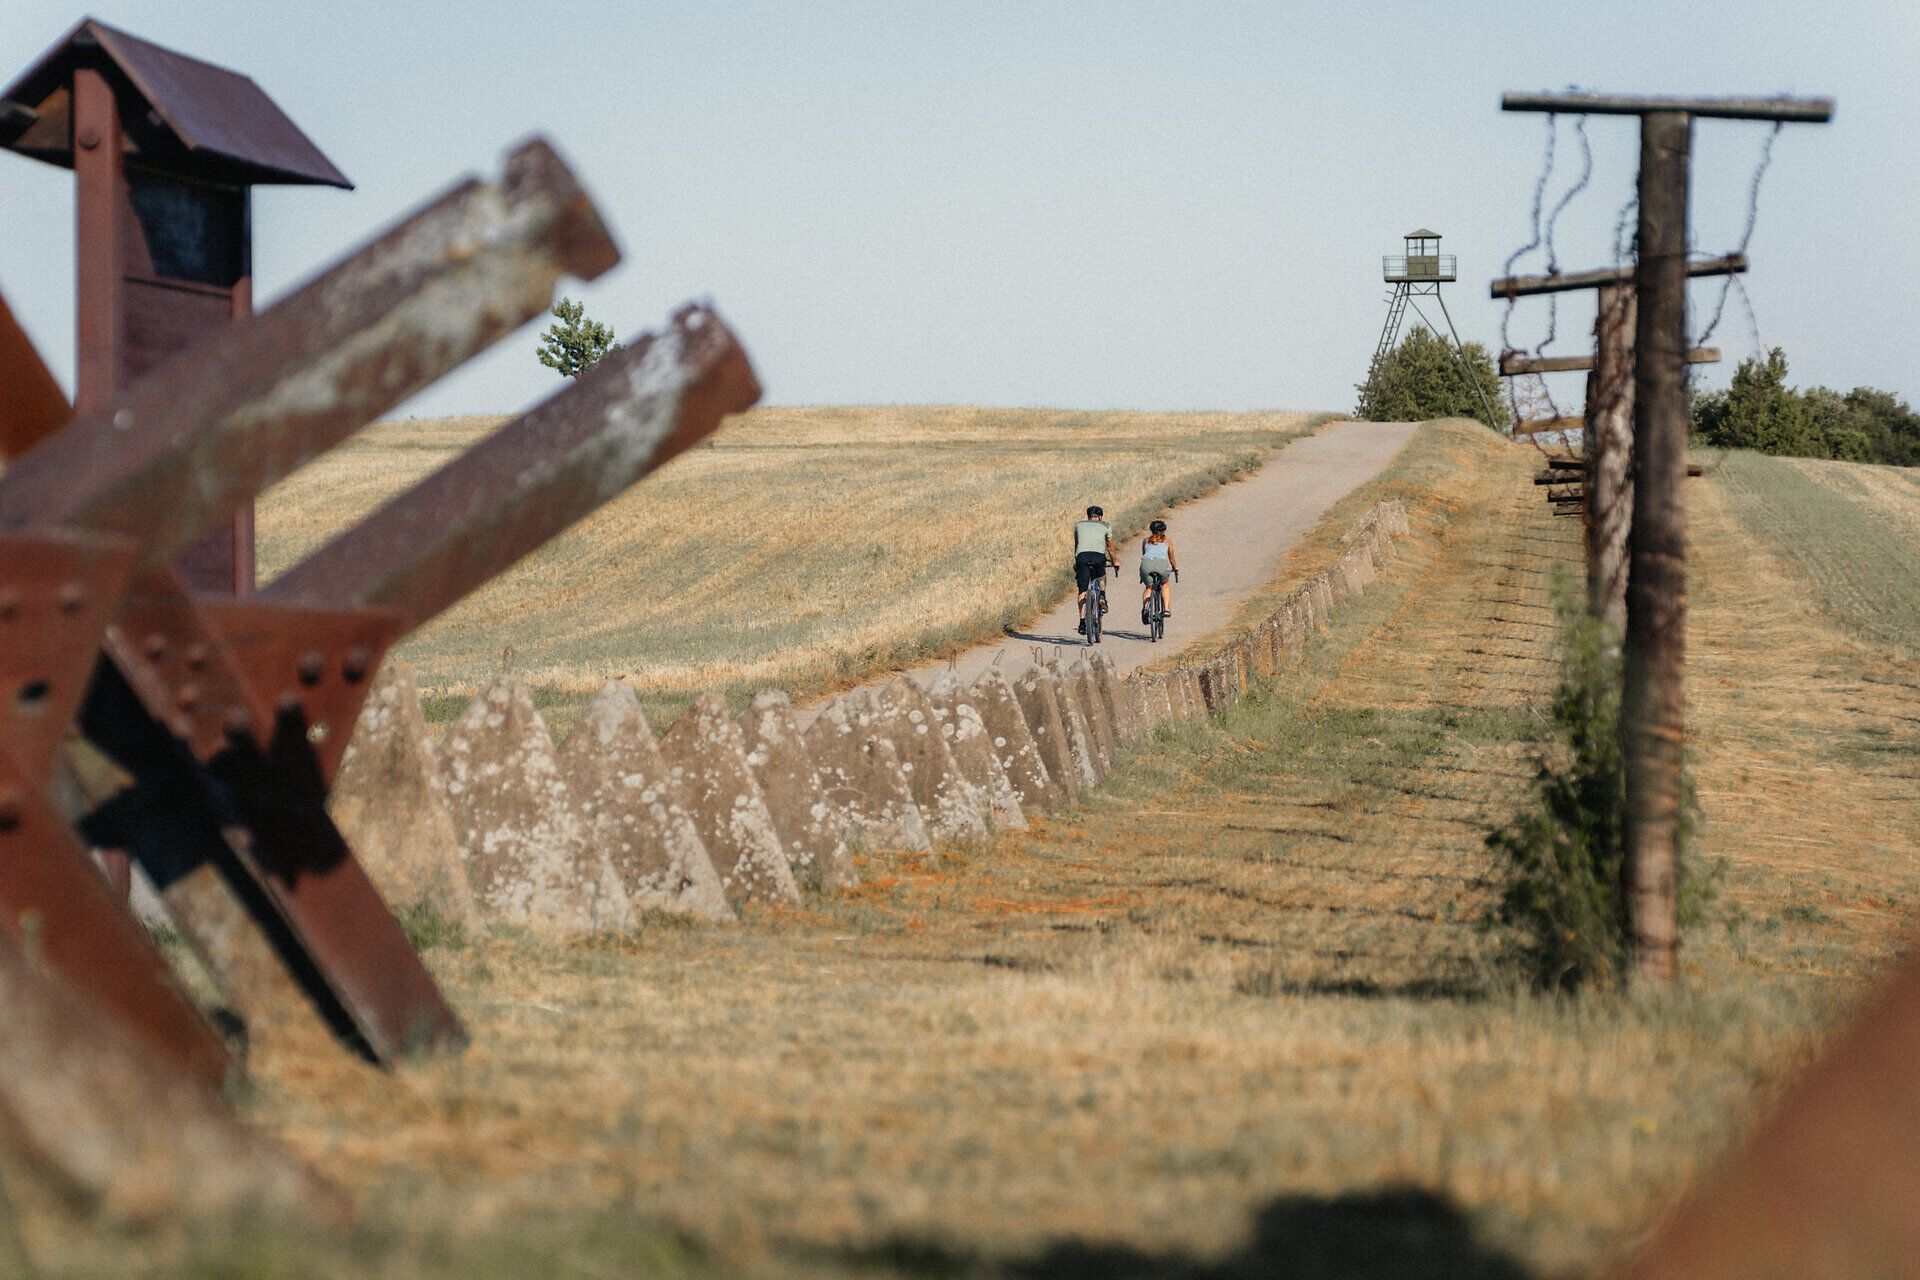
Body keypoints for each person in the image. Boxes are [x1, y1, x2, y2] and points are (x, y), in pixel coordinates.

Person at [1073, 505, 1117, 634]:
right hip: (1098, 557)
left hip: (1082, 556)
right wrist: (1115, 561)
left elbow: (1077, 544)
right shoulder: (1105, 526)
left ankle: (1082, 622)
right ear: (1100, 516)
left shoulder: (1079, 525)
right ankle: (1102, 596)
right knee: (1101, 575)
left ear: (1088, 516)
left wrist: (1077, 561)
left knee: (1082, 590)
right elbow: (1110, 546)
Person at [1139, 519, 1179, 623]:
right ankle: (1166, 609)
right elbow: (1171, 558)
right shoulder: (1168, 541)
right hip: (1161, 564)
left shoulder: (1145, 540)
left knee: (1149, 587)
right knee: (1165, 583)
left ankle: (1146, 608)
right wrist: (1175, 567)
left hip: (1146, 564)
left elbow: (1144, 555)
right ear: (1164, 530)